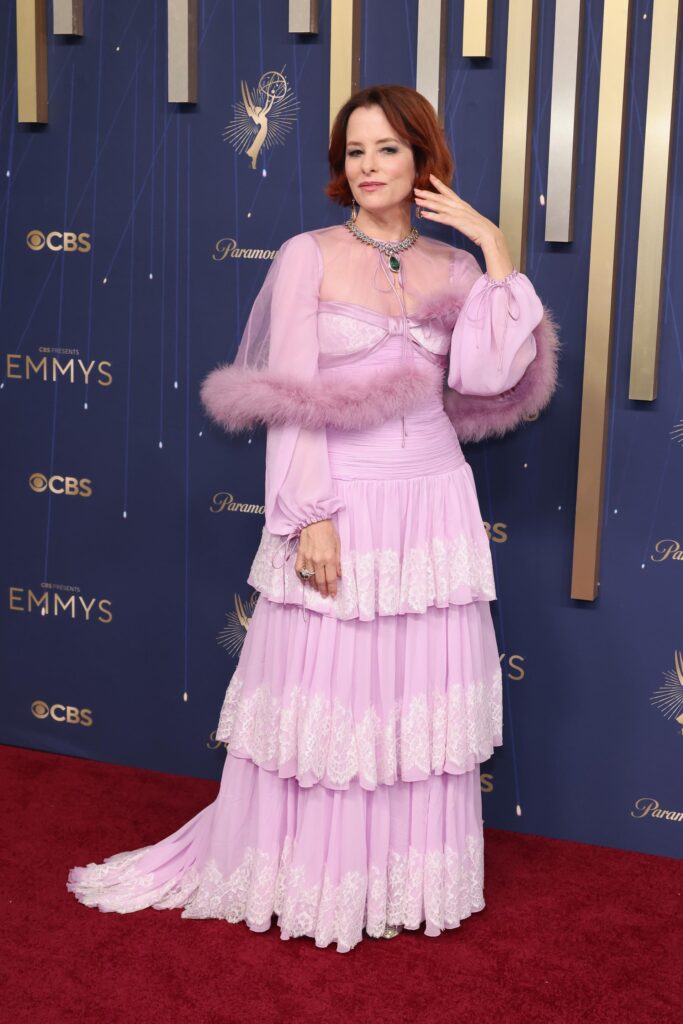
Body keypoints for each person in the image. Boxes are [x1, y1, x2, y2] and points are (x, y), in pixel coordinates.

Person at [67, 84, 559, 953]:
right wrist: (309, 517)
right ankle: (316, 878)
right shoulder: (307, 254)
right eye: (354, 150)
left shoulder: (455, 267)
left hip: (432, 503)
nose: (367, 166)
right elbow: (290, 397)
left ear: (422, 159)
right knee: (333, 699)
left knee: (411, 702)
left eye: (387, 149)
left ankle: (403, 879)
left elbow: (486, 378)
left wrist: (491, 247)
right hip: (343, 497)